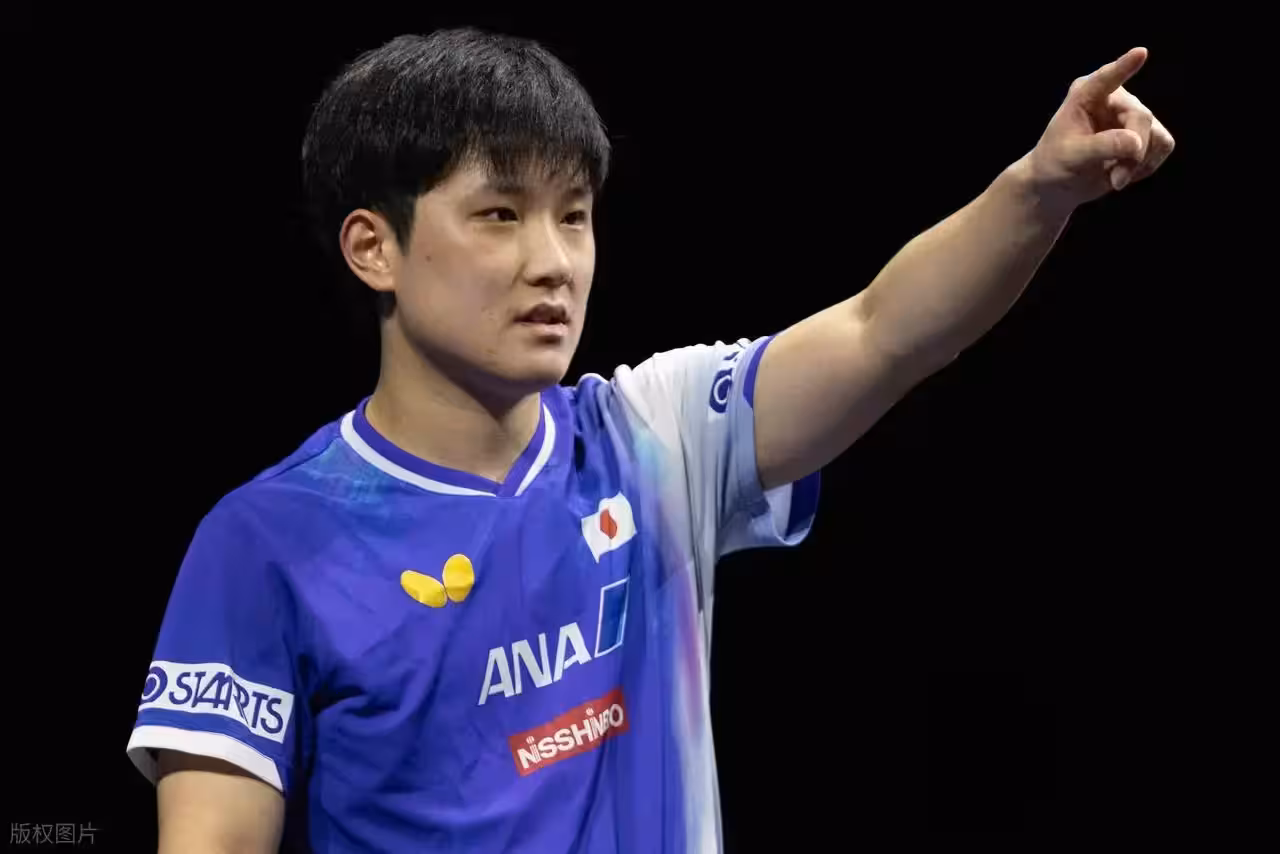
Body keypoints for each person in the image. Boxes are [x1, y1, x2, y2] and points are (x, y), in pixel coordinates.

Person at [125, 27, 1174, 853]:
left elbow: (882, 331)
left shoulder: (651, 437)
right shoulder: (267, 542)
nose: (553, 262)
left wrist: (1040, 187)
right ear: (374, 248)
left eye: (574, 215)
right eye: (499, 215)